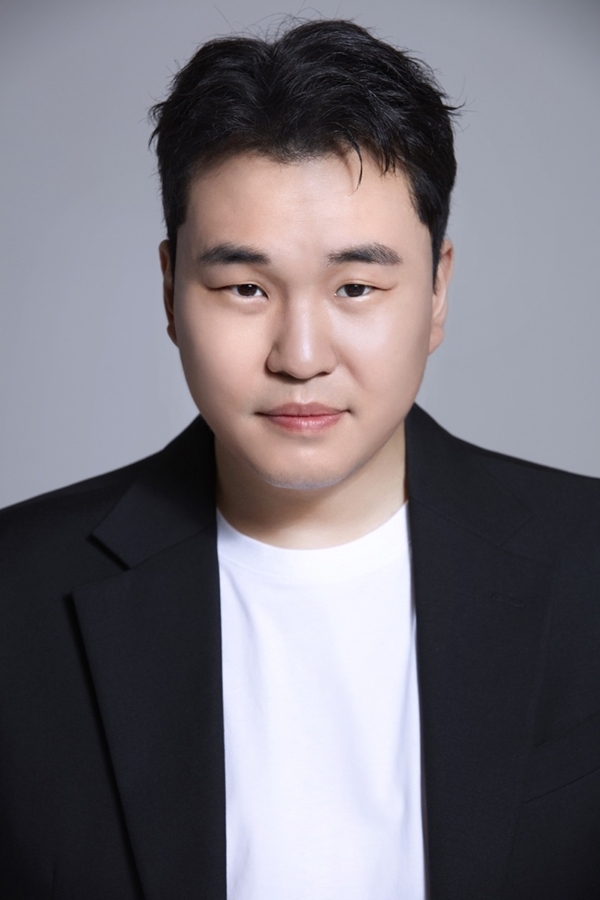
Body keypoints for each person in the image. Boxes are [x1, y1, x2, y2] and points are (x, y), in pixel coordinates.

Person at [1, 18, 599, 900]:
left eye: (356, 287)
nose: (302, 355)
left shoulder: (588, 563)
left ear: (437, 290)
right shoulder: (16, 593)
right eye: (245, 288)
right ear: (169, 291)